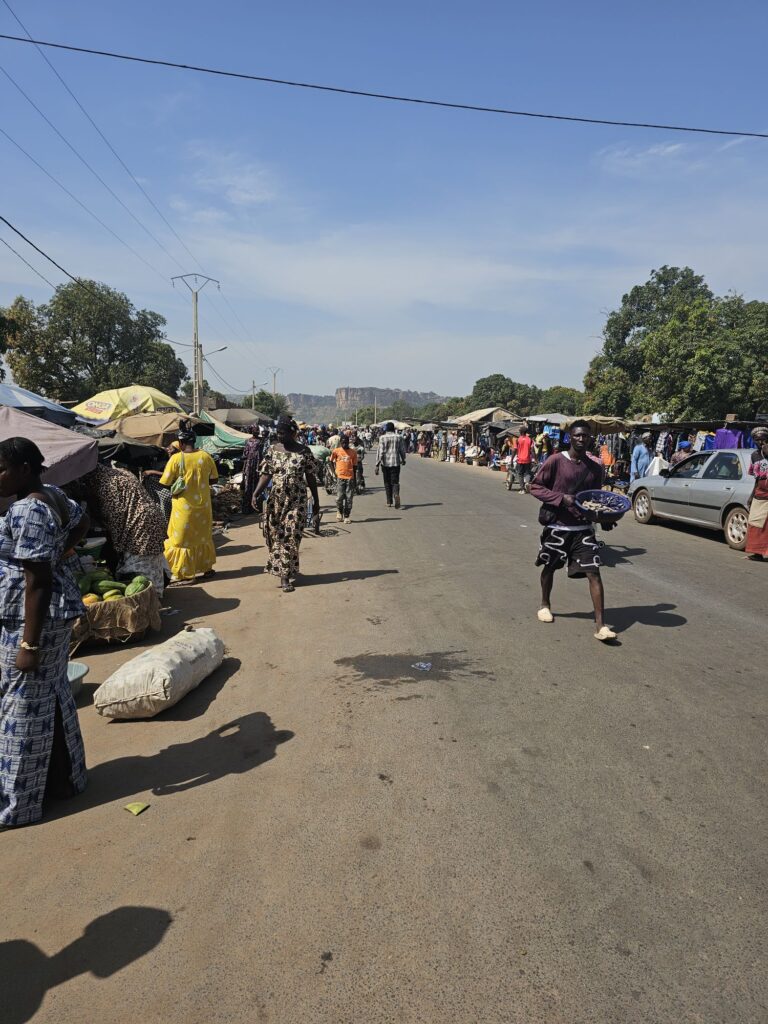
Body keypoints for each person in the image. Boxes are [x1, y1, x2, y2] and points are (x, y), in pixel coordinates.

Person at [0, 437, 90, 828]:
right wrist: (63, 548)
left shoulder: (29, 509)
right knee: (50, 694)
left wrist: (28, 644)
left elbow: (36, 578)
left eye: (0, 469)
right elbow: (82, 520)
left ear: (23, 469)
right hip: (51, 613)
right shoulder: (52, 494)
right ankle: (66, 780)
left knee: (21, 710)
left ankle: (17, 805)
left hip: (33, 619)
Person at [529, 420, 617, 642]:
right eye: (577, 435)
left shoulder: (595, 467)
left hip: (583, 529)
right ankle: (545, 604)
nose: (581, 439)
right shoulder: (556, 461)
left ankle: (600, 625)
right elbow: (535, 487)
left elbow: (596, 498)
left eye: (585, 436)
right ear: (570, 437)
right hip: (557, 527)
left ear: (590, 438)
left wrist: (605, 517)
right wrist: (560, 498)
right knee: (549, 567)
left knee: (594, 573)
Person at [252, 415, 320, 592]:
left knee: (289, 536)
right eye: (278, 433)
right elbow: (266, 473)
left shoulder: (304, 452)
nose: (279, 436)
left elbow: (311, 477)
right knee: (275, 536)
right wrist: (256, 493)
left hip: (297, 501)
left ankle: (284, 577)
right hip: (276, 501)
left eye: (283, 433)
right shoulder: (273, 450)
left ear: (292, 433)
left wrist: (317, 501)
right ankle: (285, 567)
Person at [79, 463, 168, 596]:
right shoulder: (119, 472)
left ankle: (147, 599)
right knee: (151, 563)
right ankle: (154, 596)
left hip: (140, 523)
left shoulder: (106, 484)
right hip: (151, 517)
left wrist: (117, 544)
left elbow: (116, 517)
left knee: (140, 565)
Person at [159, 423, 218, 582]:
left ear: (181, 443)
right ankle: (206, 568)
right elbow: (214, 479)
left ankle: (182, 573)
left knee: (181, 541)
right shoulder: (206, 456)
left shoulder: (176, 458)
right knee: (202, 537)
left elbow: (165, 482)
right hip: (204, 507)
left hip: (183, 509)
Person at [375, 421, 406, 509]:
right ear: (393, 429)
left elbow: (380, 452)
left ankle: (389, 501)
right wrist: (403, 459)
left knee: (387, 482)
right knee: (395, 481)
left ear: (386, 429)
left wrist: (377, 465)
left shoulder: (382, 438)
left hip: (385, 464)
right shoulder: (398, 437)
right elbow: (402, 450)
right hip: (396, 463)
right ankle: (396, 494)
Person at [746, 438, 768, 561]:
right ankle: (757, 553)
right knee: (756, 523)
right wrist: (751, 495)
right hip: (759, 494)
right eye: (757, 439)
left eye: (763, 438)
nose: (760, 441)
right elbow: (757, 479)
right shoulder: (754, 455)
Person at [330, 434, 358, 524]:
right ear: (340, 443)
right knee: (339, 497)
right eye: (342, 442)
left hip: (350, 478)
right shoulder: (336, 451)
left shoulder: (353, 452)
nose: (344, 444)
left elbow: (355, 466)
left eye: (346, 442)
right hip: (340, 477)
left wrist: (355, 479)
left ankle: (346, 516)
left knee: (349, 498)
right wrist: (333, 471)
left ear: (348, 442)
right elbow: (330, 461)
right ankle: (339, 512)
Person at [241, 424, 266, 515]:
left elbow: (262, 454)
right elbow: (245, 455)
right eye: (256, 430)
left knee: (256, 485)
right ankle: (247, 507)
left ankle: (255, 506)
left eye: (258, 430)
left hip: (257, 466)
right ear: (252, 431)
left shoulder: (261, 441)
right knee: (248, 486)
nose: (257, 431)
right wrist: (244, 468)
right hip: (249, 466)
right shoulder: (248, 441)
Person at [515, 426, 535, 493]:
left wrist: (512, 459)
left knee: (520, 474)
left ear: (522, 432)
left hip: (520, 459)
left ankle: (522, 489)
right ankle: (527, 483)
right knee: (527, 473)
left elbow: (515, 449)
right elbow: (532, 450)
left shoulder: (518, 439)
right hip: (527, 460)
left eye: (520, 431)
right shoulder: (530, 439)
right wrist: (535, 458)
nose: (519, 432)